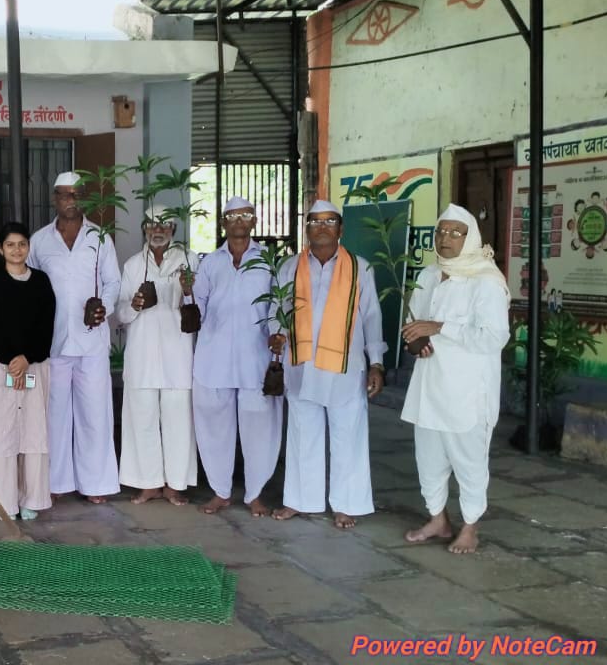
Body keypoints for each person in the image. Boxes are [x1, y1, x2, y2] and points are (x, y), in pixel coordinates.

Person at [401, 204, 509, 554]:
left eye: (454, 233)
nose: (445, 238)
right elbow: (415, 321)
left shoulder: (486, 281)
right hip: (429, 385)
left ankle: (470, 527)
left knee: (469, 461)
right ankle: (438, 519)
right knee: (428, 459)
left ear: (470, 237)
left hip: (467, 390)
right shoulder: (429, 274)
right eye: (440, 231)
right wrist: (415, 341)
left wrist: (440, 327)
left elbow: (494, 338)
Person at [270, 200, 384, 529]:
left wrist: (376, 363)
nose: (322, 227)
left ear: (341, 228)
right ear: (306, 228)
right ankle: (300, 500)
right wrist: (275, 335)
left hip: (345, 368)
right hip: (302, 365)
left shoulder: (360, 268)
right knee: (302, 434)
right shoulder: (290, 267)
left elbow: (372, 317)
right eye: (315, 221)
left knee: (348, 436)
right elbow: (276, 309)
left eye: (329, 221)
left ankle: (346, 504)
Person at [27, 172, 121, 504]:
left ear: (85, 198)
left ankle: (95, 485)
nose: (70, 200)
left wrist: (104, 307)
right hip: (53, 341)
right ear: (55, 198)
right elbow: (30, 285)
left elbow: (113, 282)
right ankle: (56, 482)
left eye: (76, 194)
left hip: (91, 340)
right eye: (64, 194)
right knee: (54, 415)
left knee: (94, 413)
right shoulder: (40, 241)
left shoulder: (100, 238)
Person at [192, 196, 283, 517]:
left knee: (260, 427)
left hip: (254, 357)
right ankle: (220, 491)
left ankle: (255, 494)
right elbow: (197, 303)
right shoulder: (210, 263)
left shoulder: (268, 260)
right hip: (214, 357)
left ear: (254, 221)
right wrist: (187, 298)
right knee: (214, 426)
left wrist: (277, 332)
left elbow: (278, 303)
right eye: (233, 216)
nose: (239, 221)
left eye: (245, 215)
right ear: (223, 223)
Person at [117, 206, 198, 505]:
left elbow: (200, 306)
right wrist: (135, 305)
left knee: (179, 422)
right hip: (142, 355)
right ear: (144, 229)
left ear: (174, 229)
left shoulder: (189, 260)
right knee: (142, 421)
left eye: (165, 224)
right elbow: (120, 313)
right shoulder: (133, 265)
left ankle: (175, 485)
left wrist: (187, 290)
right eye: (152, 224)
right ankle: (148, 483)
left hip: (178, 355)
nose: (158, 229)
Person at [0, 223, 56, 520]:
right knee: (3, 436)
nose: (17, 250)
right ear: (1, 248)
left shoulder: (41, 281)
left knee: (33, 433)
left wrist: (27, 359)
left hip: (34, 365)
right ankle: (5, 503)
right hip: (0, 367)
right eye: (10, 244)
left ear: (28, 247)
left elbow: (46, 325)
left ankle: (31, 500)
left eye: (22, 244)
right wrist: (13, 361)